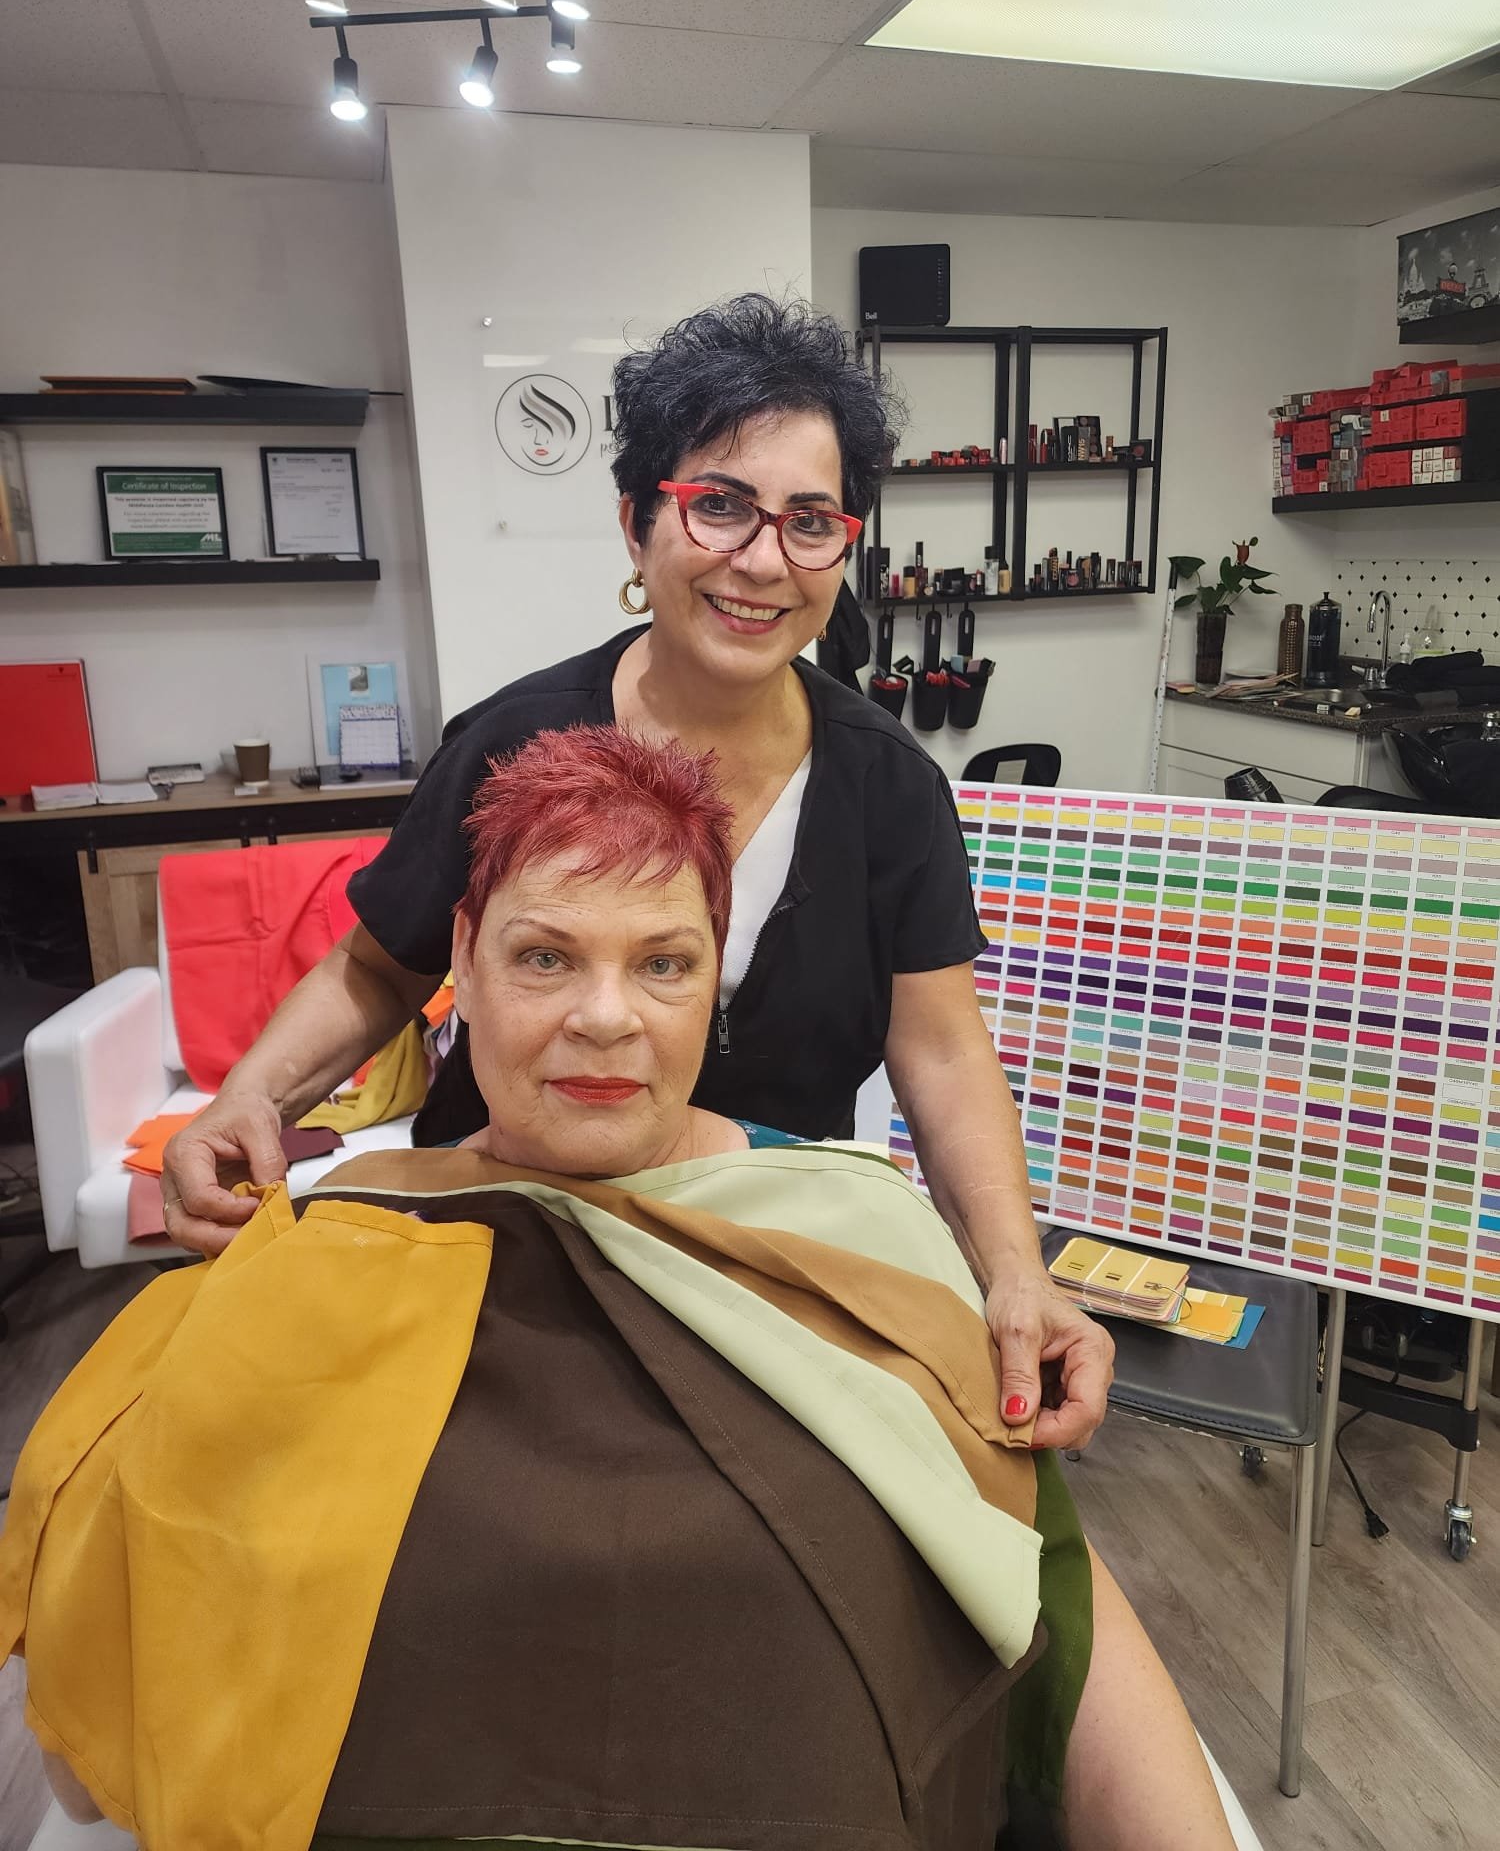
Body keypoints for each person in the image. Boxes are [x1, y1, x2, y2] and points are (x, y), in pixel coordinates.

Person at [5, 731, 1235, 1851]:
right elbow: (118, 1677)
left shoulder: (857, 1229)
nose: (606, 1016)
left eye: (663, 962)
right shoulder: (334, 1240)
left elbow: (1040, 1583)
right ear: (463, 966)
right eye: (545, 956)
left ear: (714, 979)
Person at [161, 294, 1113, 1453]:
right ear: (637, 524)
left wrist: (1015, 1273)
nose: (763, 560)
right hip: (510, 1229)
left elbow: (944, 1049)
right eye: (720, 505)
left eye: (811, 521)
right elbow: (377, 969)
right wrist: (249, 1100)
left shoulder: (889, 787)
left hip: (757, 1248)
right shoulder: (513, 743)